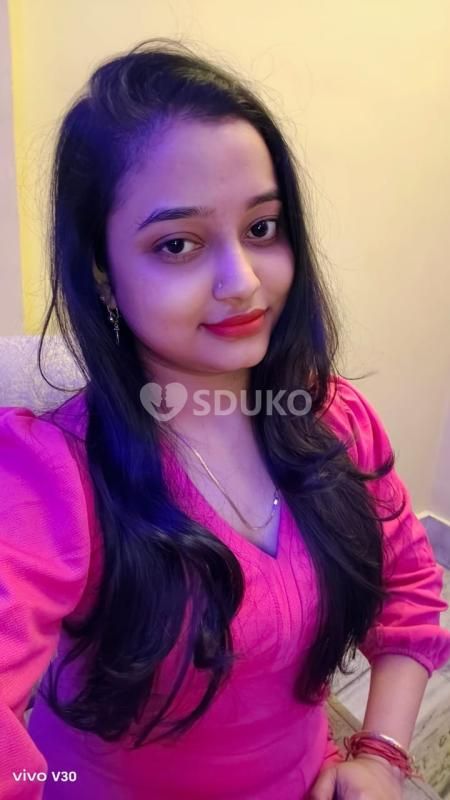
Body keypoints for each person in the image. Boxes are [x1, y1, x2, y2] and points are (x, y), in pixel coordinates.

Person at [1, 37, 449, 800]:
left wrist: (379, 753)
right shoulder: (51, 474)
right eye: (178, 244)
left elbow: (410, 584)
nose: (241, 282)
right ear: (102, 272)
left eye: (262, 228)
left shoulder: (331, 417)